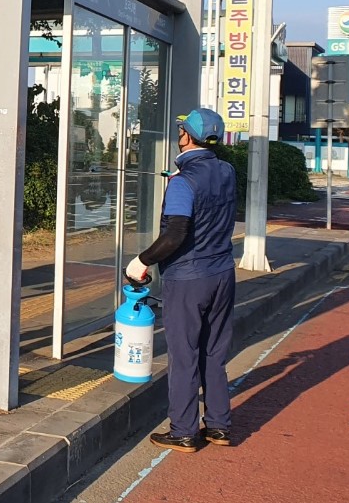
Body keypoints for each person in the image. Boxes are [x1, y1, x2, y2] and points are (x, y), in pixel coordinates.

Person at [126, 107, 237, 452]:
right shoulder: (227, 171)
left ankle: (184, 430)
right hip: (223, 273)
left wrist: (141, 261)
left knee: (184, 353)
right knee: (214, 352)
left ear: (185, 136)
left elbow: (175, 234)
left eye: (181, 132)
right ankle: (218, 426)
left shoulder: (182, 182)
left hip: (188, 278)